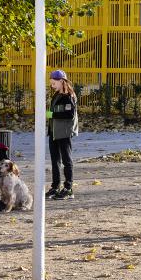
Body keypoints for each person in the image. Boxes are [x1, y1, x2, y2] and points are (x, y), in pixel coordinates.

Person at [46, 70, 78, 200]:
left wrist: (52, 115)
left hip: (64, 133)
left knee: (66, 160)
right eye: (51, 83)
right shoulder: (56, 95)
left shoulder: (68, 96)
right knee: (55, 161)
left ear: (61, 81)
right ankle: (55, 187)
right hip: (54, 132)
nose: (52, 85)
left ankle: (68, 188)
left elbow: (69, 115)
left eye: (54, 83)